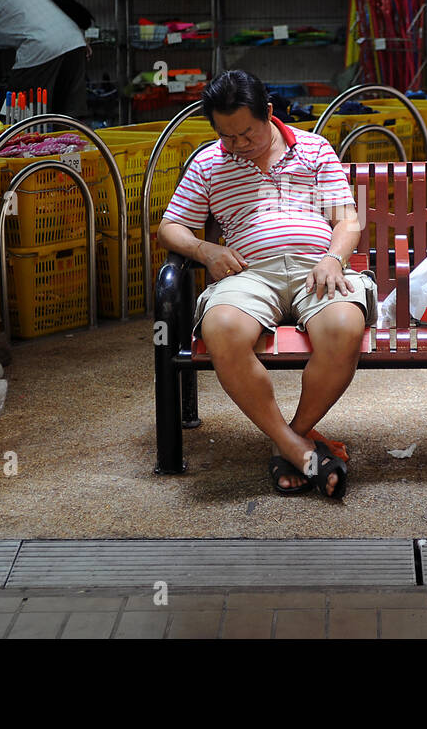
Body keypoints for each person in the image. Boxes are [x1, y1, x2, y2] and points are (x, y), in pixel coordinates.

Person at [156, 71, 376, 499]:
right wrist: (205, 251)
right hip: (250, 273)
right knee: (222, 329)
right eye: (227, 136)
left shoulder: (313, 149)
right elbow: (171, 226)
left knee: (344, 328)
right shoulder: (208, 162)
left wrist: (334, 257)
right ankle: (296, 446)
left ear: (269, 114)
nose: (237, 144)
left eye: (246, 133)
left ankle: (288, 441)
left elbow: (348, 219)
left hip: (319, 265)